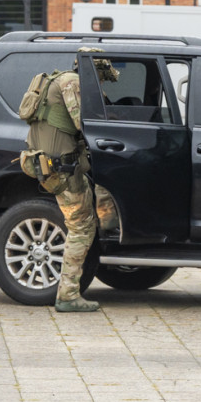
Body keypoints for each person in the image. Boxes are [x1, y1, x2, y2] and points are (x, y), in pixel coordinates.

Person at [22, 48, 120, 312]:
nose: (101, 81)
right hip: (62, 170)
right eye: (102, 76)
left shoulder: (59, 80)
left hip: (49, 164)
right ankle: (67, 295)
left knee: (87, 216)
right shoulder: (73, 84)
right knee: (82, 228)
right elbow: (86, 125)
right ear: (95, 71)